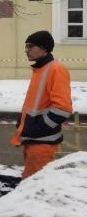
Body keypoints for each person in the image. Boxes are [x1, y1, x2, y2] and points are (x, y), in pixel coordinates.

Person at [11, 30, 73, 179]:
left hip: (42, 143)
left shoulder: (56, 69)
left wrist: (37, 127)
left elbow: (63, 109)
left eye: (30, 46)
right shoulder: (40, 69)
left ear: (44, 48)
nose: (27, 50)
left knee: (34, 186)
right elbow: (37, 105)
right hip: (33, 140)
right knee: (30, 182)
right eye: (26, 47)